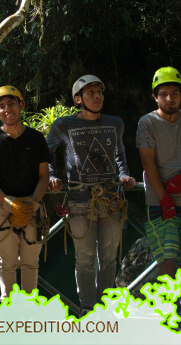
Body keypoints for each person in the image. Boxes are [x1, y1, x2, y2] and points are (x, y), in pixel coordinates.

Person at [46, 75, 136, 315]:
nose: (97, 96)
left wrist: (125, 174)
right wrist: (52, 176)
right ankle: (87, 308)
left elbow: (120, 154)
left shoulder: (115, 122)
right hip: (79, 200)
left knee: (108, 258)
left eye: (99, 92)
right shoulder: (63, 125)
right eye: (90, 93)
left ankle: (105, 307)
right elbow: (47, 152)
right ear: (78, 99)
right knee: (85, 259)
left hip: (110, 198)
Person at [136, 66, 181, 328]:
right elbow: (147, 162)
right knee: (165, 257)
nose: (169, 99)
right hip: (158, 198)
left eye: (174, 93)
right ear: (155, 97)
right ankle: (171, 309)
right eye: (163, 94)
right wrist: (164, 197)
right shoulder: (147, 123)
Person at [0, 86, 50, 301]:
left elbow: (44, 176)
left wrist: (33, 203)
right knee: (7, 263)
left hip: (33, 205)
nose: (7, 109)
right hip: (3, 208)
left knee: (30, 263)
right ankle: (8, 311)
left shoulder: (36, 138)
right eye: (1, 106)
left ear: (21, 105)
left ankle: (28, 311)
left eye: (11, 104)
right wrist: (8, 202)